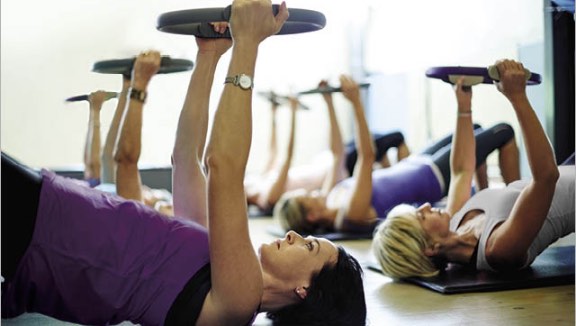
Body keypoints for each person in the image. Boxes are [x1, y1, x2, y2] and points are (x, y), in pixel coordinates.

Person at [1, 2, 367, 325]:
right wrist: (208, 58)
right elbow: (187, 159)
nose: (293, 234)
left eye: (309, 247)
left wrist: (248, 47)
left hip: (49, 239)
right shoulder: (224, 270)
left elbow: (223, 166)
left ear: (305, 290)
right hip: (52, 220)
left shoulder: (239, 302)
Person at [371, 59, 575, 279]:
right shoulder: (497, 249)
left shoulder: (456, 221)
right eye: (421, 217)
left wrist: (464, 108)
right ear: (430, 248)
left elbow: (461, 171)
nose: (427, 206)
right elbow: (546, 177)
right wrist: (518, 97)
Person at [274, 75, 521, 235]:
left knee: (475, 129)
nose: (313, 191)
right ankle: (515, 206)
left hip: (418, 161)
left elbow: (338, 152)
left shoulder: (331, 196)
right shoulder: (350, 214)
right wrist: (357, 103)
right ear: (312, 215)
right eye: (308, 196)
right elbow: (367, 157)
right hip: (434, 176)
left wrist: (328, 102)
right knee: (503, 132)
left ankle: (484, 196)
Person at [246, 80, 410, 215]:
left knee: (380, 149)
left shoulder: (259, 182)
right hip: (341, 166)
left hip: (330, 160)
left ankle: (399, 174)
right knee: (395, 138)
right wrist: (294, 112)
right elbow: (287, 158)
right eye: (310, 195)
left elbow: (272, 152)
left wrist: (274, 113)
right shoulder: (270, 198)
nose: (314, 193)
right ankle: (405, 175)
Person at [80, 54, 173, 215]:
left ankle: (127, 87)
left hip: (103, 204)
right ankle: (127, 85)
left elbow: (95, 165)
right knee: (107, 161)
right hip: (107, 198)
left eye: (151, 194)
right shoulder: (118, 194)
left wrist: (95, 111)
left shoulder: (145, 209)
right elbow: (107, 156)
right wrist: (128, 86)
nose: (147, 189)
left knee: (100, 166)